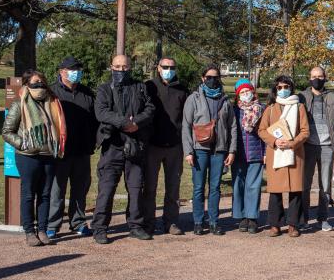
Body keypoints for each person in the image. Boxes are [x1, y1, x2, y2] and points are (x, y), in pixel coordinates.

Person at [91, 55, 155, 244]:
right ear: (111, 67)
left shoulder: (140, 87)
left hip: (135, 145)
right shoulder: (104, 89)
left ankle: (136, 226)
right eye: (117, 66)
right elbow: (101, 112)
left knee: (136, 189)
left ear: (130, 67)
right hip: (113, 146)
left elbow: (150, 109)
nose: (121, 70)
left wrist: (137, 123)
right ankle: (100, 228)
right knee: (107, 189)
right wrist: (124, 123)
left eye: (125, 66)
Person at [2, 69, 66, 247]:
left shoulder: (54, 103)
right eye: (35, 83)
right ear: (26, 85)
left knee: (45, 195)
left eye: (41, 82)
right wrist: (23, 144)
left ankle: (43, 230)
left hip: (49, 155)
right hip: (27, 156)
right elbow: (7, 132)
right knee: (28, 194)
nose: (39, 86)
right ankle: (30, 232)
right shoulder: (19, 104)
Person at [182, 65, 237, 236]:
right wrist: (188, 151)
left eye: (216, 77)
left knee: (215, 188)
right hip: (199, 149)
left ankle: (213, 221)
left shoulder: (225, 100)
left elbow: (233, 126)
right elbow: (186, 125)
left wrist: (232, 150)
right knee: (198, 187)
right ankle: (198, 222)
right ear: (203, 78)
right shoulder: (194, 98)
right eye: (209, 77)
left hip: (219, 150)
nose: (213, 80)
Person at [46, 56, 97, 239]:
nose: (76, 72)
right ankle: (52, 225)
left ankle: (78, 222)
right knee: (57, 190)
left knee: (80, 189)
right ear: (62, 72)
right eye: (72, 69)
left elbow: (95, 120)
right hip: (60, 152)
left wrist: (94, 141)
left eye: (78, 69)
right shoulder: (51, 92)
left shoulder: (87, 93)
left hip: (83, 150)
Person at [258, 75, 310, 237]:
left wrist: (292, 143)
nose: (283, 90)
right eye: (279, 87)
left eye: (286, 86)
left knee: (295, 191)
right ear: (275, 90)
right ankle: (275, 224)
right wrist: (274, 141)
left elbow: (305, 131)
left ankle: (293, 224)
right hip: (276, 154)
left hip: (295, 154)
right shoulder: (270, 108)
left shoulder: (299, 107)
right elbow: (261, 130)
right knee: (275, 191)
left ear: (291, 88)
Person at [145, 57, 189, 235]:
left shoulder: (182, 90)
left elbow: (187, 119)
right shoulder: (149, 87)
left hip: (174, 146)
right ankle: (148, 222)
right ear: (158, 68)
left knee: (173, 187)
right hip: (152, 145)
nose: (168, 70)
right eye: (165, 67)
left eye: (171, 67)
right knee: (149, 187)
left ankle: (171, 222)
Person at [299, 66, 334, 232]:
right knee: (305, 184)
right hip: (307, 146)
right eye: (313, 76)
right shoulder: (302, 96)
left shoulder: (333, 97)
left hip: (327, 146)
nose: (317, 79)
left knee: (325, 184)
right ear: (309, 78)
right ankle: (303, 218)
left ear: (325, 77)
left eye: (320, 76)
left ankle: (323, 218)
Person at [231, 79, 265, 234]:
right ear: (238, 95)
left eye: (248, 91)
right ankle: (241, 216)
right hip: (238, 154)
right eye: (242, 92)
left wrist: (265, 153)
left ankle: (252, 217)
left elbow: (265, 132)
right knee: (239, 185)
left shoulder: (261, 109)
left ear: (253, 92)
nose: (246, 95)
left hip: (256, 152)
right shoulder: (234, 110)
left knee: (253, 186)